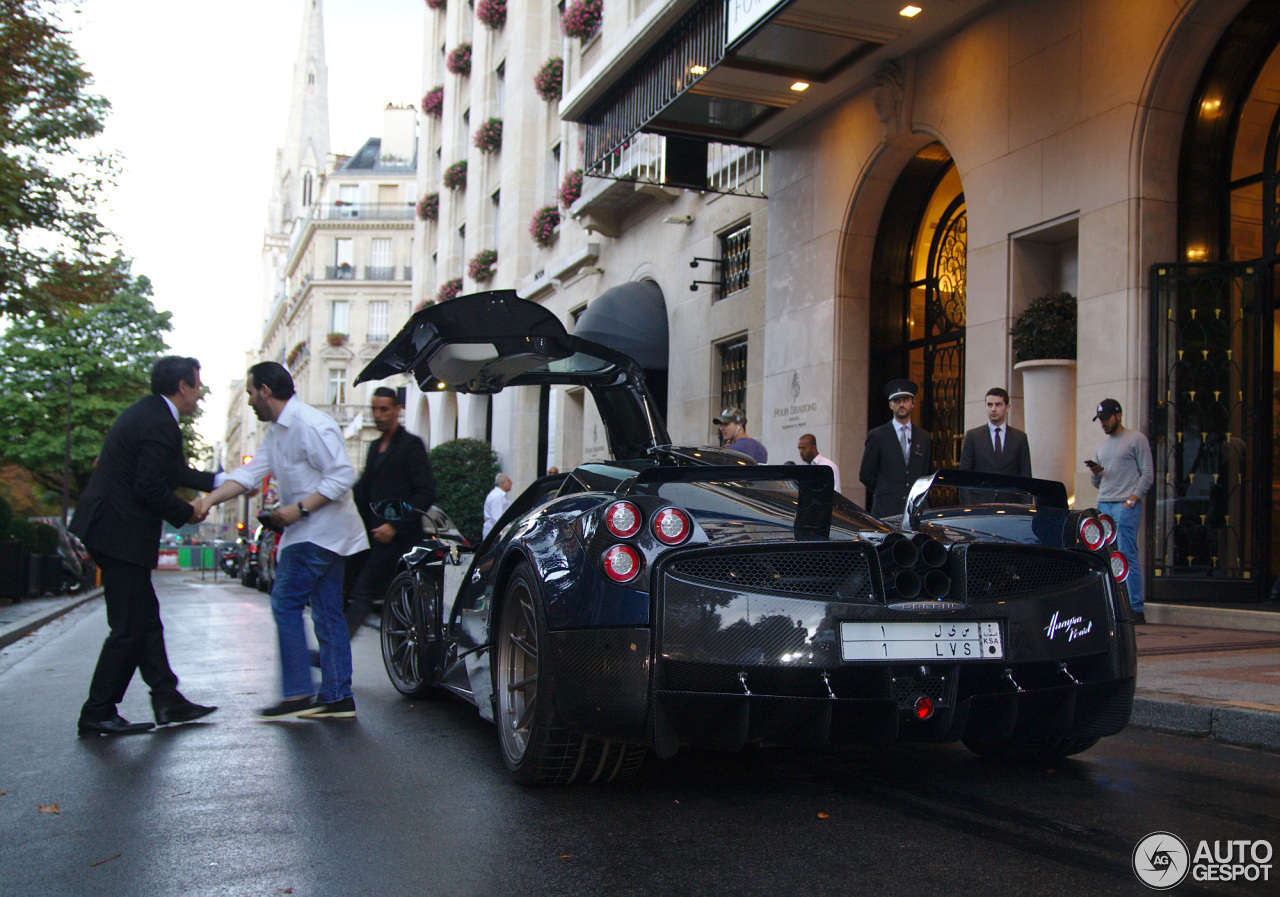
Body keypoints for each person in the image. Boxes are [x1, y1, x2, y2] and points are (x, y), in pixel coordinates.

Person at [197, 363, 369, 719]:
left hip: (318, 531)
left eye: (249, 394)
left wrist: (298, 510)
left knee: (285, 602)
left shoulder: (309, 424)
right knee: (327, 613)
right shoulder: (276, 432)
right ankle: (336, 697)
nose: (247, 402)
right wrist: (208, 501)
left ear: (264, 390)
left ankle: (297, 695)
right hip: (320, 533)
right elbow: (247, 475)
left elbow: (342, 476)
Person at [71, 356, 221, 737]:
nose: (200, 393)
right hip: (117, 533)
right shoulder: (160, 422)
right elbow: (150, 486)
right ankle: (98, 710)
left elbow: (172, 472)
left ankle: (167, 698)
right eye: (198, 385)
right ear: (182, 386)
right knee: (129, 627)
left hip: (111, 529)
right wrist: (186, 512)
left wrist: (220, 480)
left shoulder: (153, 415)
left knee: (144, 619)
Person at [345, 386, 436, 637]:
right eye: (374, 409)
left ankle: (334, 652)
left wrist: (395, 526)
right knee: (364, 594)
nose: (378, 415)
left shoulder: (410, 445)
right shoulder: (374, 448)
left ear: (397, 410)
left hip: (399, 541)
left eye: (384, 409)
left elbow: (425, 492)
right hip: (372, 539)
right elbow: (363, 491)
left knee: (367, 594)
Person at [1087, 398, 1153, 623]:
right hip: (1104, 503)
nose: (1103, 423)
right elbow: (1097, 484)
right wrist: (1095, 473)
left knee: (1126, 554)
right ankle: (1112, 605)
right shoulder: (1101, 447)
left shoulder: (1136, 439)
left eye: (1106, 419)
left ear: (1119, 415)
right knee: (1104, 557)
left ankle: (1135, 607)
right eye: (1100, 420)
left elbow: (1148, 474)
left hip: (1125, 504)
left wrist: (1132, 500)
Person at [858, 379, 932, 518]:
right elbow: (865, 474)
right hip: (886, 510)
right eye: (897, 401)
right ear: (890, 405)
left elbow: (925, 473)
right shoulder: (877, 435)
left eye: (905, 400)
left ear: (913, 403)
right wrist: (884, 490)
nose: (902, 404)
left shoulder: (924, 437)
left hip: (915, 511)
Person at [958, 387, 1033, 476]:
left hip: (1008, 489)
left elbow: (1025, 473)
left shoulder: (1019, 438)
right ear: (985, 406)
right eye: (989, 404)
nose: (993, 409)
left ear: (1007, 407)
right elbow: (964, 473)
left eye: (998, 405)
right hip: (981, 489)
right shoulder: (973, 436)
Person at [483, 473, 512, 538]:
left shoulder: (499, 495)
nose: (511, 483)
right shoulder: (497, 496)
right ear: (502, 483)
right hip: (495, 535)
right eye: (509, 481)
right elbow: (496, 518)